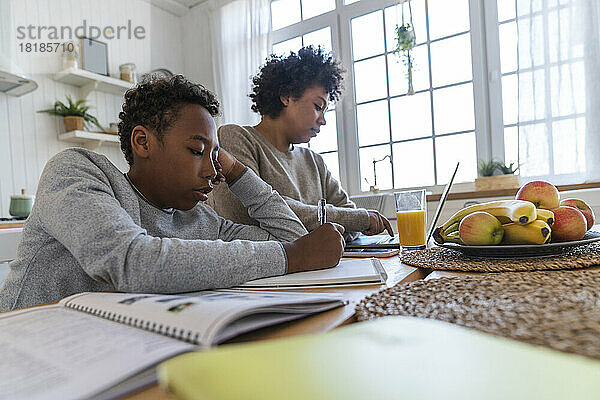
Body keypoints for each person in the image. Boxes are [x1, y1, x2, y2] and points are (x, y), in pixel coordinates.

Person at [0, 75, 345, 311]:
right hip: (19, 350)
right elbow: (133, 263)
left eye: (216, 158)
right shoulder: (77, 170)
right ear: (142, 142)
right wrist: (292, 256)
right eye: (196, 151)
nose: (213, 172)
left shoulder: (200, 219)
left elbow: (295, 239)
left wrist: (238, 171)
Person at [208, 46, 393, 241]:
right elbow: (248, 215)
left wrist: (335, 226)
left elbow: (350, 218)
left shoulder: (315, 161)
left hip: (322, 267)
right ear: (286, 96)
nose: (323, 120)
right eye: (317, 106)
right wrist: (345, 223)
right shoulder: (236, 137)